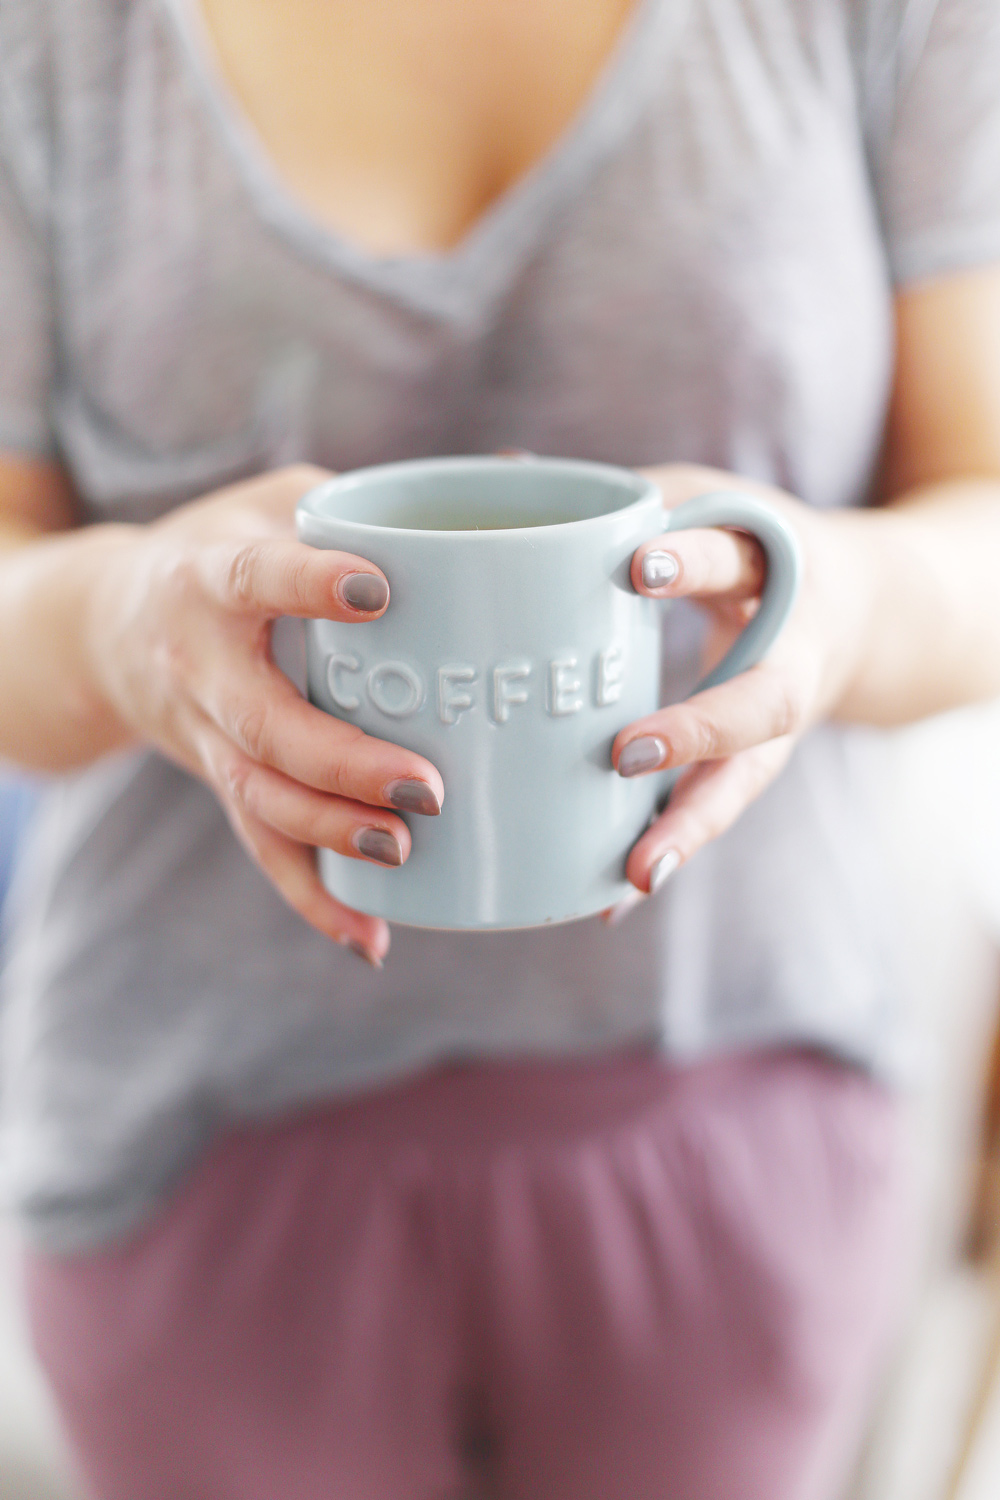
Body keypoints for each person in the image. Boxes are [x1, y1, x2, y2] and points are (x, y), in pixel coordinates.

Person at [1, 0, 999, 1495]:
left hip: (738, 1107)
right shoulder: (53, 44)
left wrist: (836, 602)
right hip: (193, 1138)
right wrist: (121, 622)